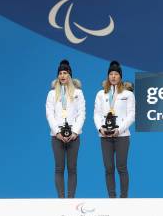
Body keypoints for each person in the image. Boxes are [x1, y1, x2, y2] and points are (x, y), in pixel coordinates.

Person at [94, 61, 135, 198]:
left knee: (121, 167)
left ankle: (123, 198)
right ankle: (112, 197)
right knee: (109, 168)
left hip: (122, 136)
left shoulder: (128, 94)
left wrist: (120, 129)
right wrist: (100, 129)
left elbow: (131, 115)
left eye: (116, 74)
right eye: (111, 74)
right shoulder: (101, 94)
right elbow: (97, 114)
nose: (113, 76)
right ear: (107, 76)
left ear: (120, 76)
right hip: (105, 136)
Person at [45, 59, 86, 198]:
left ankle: (71, 199)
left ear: (70, 75)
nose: (62, 76)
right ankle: (61, 200)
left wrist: (75, 132)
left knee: (72, 168)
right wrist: (57, 132)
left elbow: (82, 113)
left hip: (74, 136)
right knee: (59, 168)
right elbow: (49, 114)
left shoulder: (78, 93)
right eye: (60, 73)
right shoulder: (51, 94)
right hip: (57, 136)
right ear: (58, 75)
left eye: (65, 73)